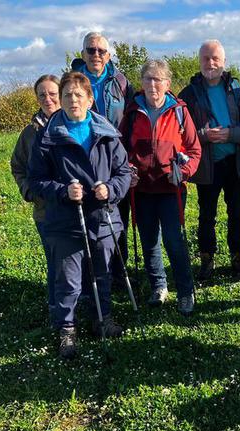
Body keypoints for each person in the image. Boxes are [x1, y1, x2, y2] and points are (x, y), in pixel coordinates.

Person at [28, 71, 131, 359]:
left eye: (78, 95)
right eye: (66, 95)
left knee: (102, 273)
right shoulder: (48, 136)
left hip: (102, 217)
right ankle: (67, 330)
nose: (72, 100)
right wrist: (63, 190)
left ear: (89, 99)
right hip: (65, 221)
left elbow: (123, 171)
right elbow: (35, 179)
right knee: (68, 280)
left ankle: (103, 319)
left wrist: (109, 189)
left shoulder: (107, 133)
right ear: (60, 100)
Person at [120, 60, 201, 315]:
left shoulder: (179, 111)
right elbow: (120, 151)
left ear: (167, 84)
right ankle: (159, 285)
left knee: (174, 241)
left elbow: (194, 150)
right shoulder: (132, 112)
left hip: (171, 189)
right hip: (141, 189)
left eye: (158, 79)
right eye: (147, 79)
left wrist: (183, 172)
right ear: (141, 82)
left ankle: (186, 291)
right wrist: (126, 173)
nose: (152, 84)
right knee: (149, 240)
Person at [178, 39, 240, 280]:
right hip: (206, 165)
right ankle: (207, 258)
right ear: (199, 61)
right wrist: (204, 136)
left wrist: (231, 134)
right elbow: (181, 130)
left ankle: (238, 256)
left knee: (237, 211)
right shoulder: (189, 94)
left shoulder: (236, 88)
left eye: (215, 59)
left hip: (234, 161)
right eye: (205, 58)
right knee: (207, 214)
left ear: (223, 62)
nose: (210, 63)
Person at [71, 32, 134, 284]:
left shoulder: (121, 81)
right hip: (83, 158)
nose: (96, 54)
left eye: (101, 51)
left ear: (108, 55)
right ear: (83, 53)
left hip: (116, 159)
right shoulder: (73, 81)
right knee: (88, 219)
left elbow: (130, 119)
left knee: (120, 217)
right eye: (91, 50)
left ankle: (119, 271)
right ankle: (91, 276)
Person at [10, 74, 61, 315]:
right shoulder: (30, 133)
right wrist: (28, 190)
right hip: (45, 210)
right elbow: (18, 166)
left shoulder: (75, 124)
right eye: (42, 94)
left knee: (77, 261)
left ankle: (81, 304)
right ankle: (55, 310)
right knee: (54, 262)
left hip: (73, 206)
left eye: (53, 93)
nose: (48, 99)